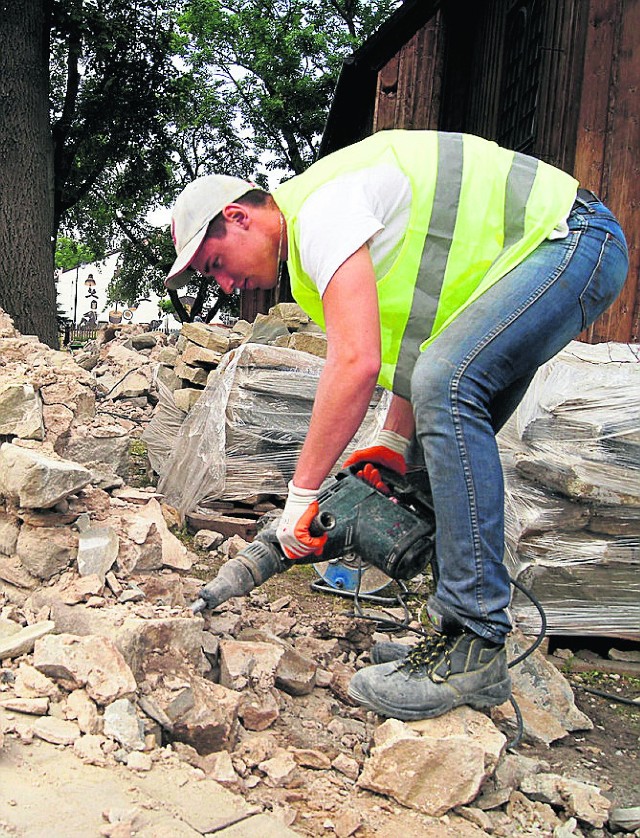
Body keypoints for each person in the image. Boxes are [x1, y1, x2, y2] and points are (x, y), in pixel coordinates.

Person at [165, 130, 628, 721]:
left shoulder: (322, 213)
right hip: (547, 256)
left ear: (238, 218)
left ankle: (475, 644)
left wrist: (302, 496)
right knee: (427, 449)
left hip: (571, 241)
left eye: (216, 265)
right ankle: (453, 635)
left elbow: (356, 364)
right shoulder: (314, 261)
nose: (224, 285)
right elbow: (421, 336)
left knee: (450, 386)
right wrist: (391, 439)